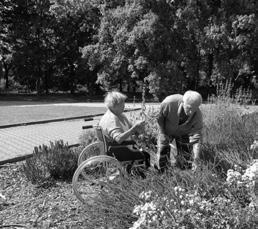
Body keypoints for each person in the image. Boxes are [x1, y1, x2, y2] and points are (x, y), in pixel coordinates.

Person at [99, 91, 150, 169]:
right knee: (146, 155)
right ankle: (141, 176)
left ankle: (133, 172)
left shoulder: (121, 115)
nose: (124, 106)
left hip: (124, 147)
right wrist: (134, 128)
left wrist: (137, 129)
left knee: (143, 152)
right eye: (122, 103)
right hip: (120, 150)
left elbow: (131, 130)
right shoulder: (112, 119)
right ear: (114, 105)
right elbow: (119, 139)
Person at [156, 90, 203, 171]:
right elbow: (159, 118)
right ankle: (162, 171)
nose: (191, 112)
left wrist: (196, 159)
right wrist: (162, 133)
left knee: (186, 161)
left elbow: (197, 138)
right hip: (166, 130)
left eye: (194, 109)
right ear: (183, 102)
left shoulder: (197, 115)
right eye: (189, 108)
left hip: (183, 133)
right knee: (162, 150)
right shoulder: (169, 103)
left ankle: (183, 169)